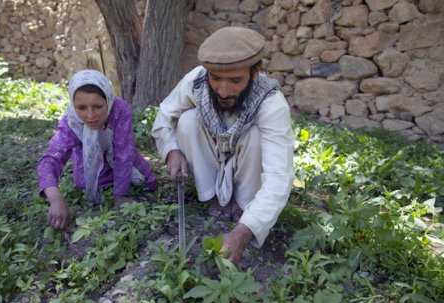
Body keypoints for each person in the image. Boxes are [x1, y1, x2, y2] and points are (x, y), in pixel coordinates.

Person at [151, 26, 295, 265]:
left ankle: (243, 207)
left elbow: (279, 176)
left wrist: (243, 232)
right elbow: (164, 118)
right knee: (187, 120)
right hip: (211, 155)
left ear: (255, 72)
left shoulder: (271, 104)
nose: (224, 90)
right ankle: (211, 199)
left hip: (247, 159)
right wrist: (171, 151)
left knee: (257, 136)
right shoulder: (196, 81)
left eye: (235, 80)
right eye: (215, 78)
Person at [37, 69, 157, 230]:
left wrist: (120, 195)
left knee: (148, 182)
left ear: (108, 99)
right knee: (87, 184)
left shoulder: (119, 110)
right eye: (82, 107)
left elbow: (124, 152)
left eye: (98, 106)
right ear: (73, 105)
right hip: (89, 170)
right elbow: (51, 159)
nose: (90, 115)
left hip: (123, 164)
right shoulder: (71, 121)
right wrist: (56, 199)